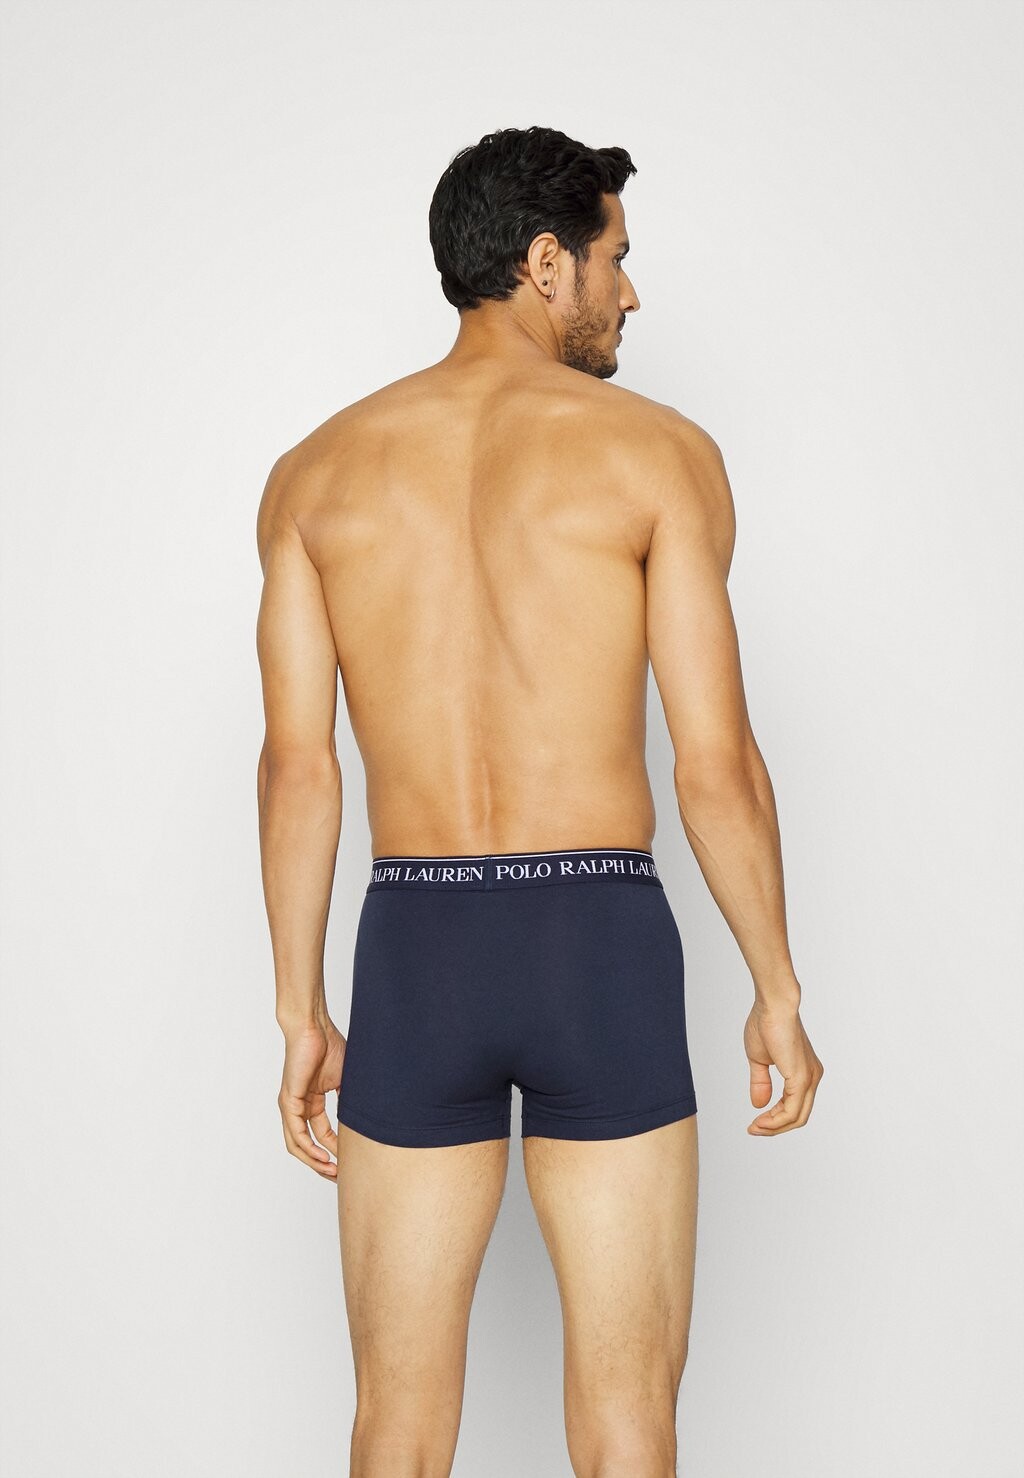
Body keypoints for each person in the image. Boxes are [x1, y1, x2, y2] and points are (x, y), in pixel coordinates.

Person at [255, 124, 823, 1478]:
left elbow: (298, 767)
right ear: (546, 261)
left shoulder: (315, 475)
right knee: (629, 1425)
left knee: (396, 1427)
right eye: (617, 259)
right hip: (596, 943)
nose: (632, 292)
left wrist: (301, 1010)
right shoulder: (659, 454)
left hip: (416, 948)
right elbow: (716, 762)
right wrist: (777, 985)